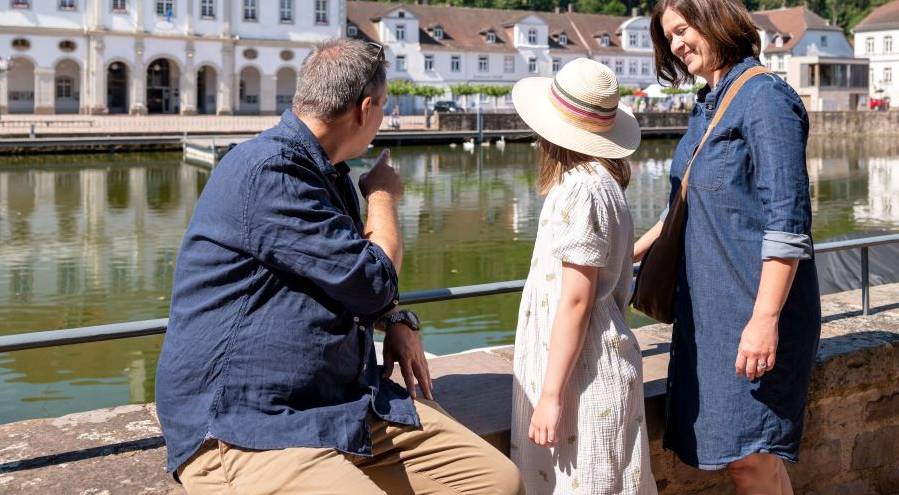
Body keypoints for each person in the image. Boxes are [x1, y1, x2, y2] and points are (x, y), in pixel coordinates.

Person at [155, 38, 524, 495]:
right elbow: (373, 280)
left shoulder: (326, 172)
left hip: (341, 404)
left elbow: (345, 273)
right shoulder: (271, 172)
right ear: (365, 109)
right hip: (250, 424)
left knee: (498, 483)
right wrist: (383, 195)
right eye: (384, 107)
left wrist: (394, 318)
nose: (383, 118)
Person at [633, 0, 821, 495]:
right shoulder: (709, 103)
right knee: (753, 458)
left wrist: (764, 321)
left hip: (753, 309)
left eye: (683, 29)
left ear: (715, 19)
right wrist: (628, 252)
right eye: (668, 37)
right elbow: (686, 204)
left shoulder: (765, 99)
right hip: (714, 311)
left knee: (750, 457)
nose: (676, 45)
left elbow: (788, 223)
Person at [509, 57, 656, 494]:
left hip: (582, 379)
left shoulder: (579, 190)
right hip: (593, 364)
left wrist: (550, 396)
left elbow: (576, 299)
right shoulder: (601, 183)